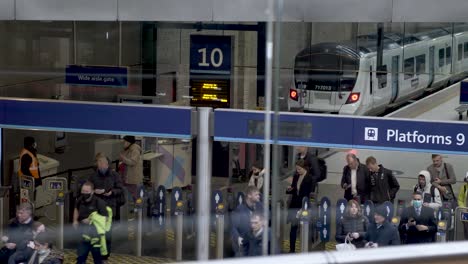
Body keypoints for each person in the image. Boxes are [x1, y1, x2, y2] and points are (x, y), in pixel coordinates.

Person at [88, 156, 123, 260]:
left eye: (103, 164)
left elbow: (120, 189)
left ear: (107, 165)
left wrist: (112, 192)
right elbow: (87, 188)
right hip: (97, 206)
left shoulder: (114, 175)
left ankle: (105, 253)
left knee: (107, 231)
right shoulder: (93, 176)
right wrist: (94, 191)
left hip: (109, 206)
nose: (102, 166)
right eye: (100, 164)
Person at [73, 181, 109, 264]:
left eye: (86, 192)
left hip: (95, 235)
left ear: (92, 191)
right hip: (82, 233)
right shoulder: (80, 199)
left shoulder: (99, 202)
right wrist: (75, 220)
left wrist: (91, 220)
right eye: (83, 191)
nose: (84, 193)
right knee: (81, 257)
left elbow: (105, 218)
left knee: (97, 258)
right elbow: (76, 209)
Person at [286, 160, 312, 253]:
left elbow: (308, 194)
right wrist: (289, 189)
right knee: (293, 228)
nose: (297, 171)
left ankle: (304, 249)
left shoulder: (309, 178)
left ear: (304, 168)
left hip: (303, 206)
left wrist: (303, 208)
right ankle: (291, 250)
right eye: (296, 169)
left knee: (304, 228)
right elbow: (293, 189)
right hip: (294, 205)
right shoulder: (296, 176)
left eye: (299, 169)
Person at [231, 186, 263, 257]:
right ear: (249, 196)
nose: (259, 196)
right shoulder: (240, 209)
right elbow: (233, 227)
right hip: (244, 245)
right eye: (256, 195)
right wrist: (238, 238)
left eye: (259, 194)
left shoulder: (260, 206)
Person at [119, 135, 143, 200]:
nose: (123, 143)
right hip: (127, 178)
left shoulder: (135, 150)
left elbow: (133, 162)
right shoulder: (128, 149)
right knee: (129, 196)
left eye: (124, 142)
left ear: (129, 142)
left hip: (133, 179)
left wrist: (123, 158)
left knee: (135, 196)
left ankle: (137, 208)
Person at [457, 172, 468, 239]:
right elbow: (460, 199)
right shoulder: (464, 187)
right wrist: (463, 208)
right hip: (465, 213)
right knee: (466, 231)